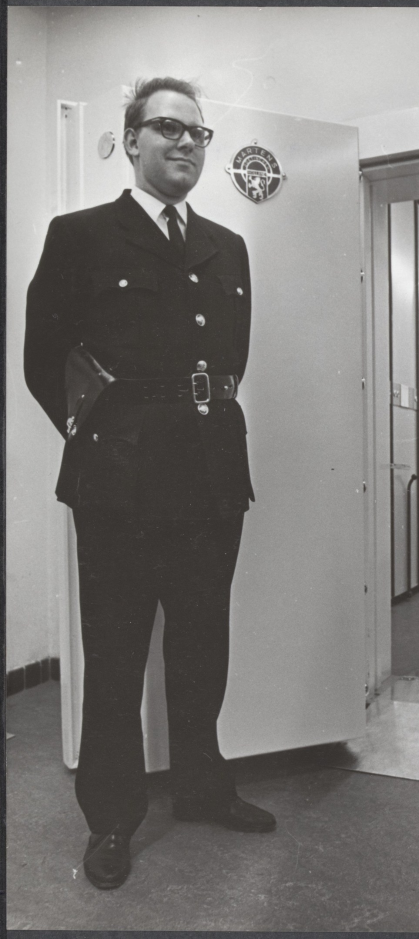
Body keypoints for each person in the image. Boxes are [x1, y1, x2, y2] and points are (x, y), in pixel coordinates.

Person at [24, 77, 276, 891]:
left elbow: (230, 356)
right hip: (119, 484)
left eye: (198, 134)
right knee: (117, 654)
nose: (185, 144)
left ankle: (202, 787)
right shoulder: (80, 235)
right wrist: (102, 441)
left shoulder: (227, 245)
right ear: (131, 140)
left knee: (203, 644)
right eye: (167, 128)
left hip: (208, 473)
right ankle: (111, 818)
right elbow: (45, 360)